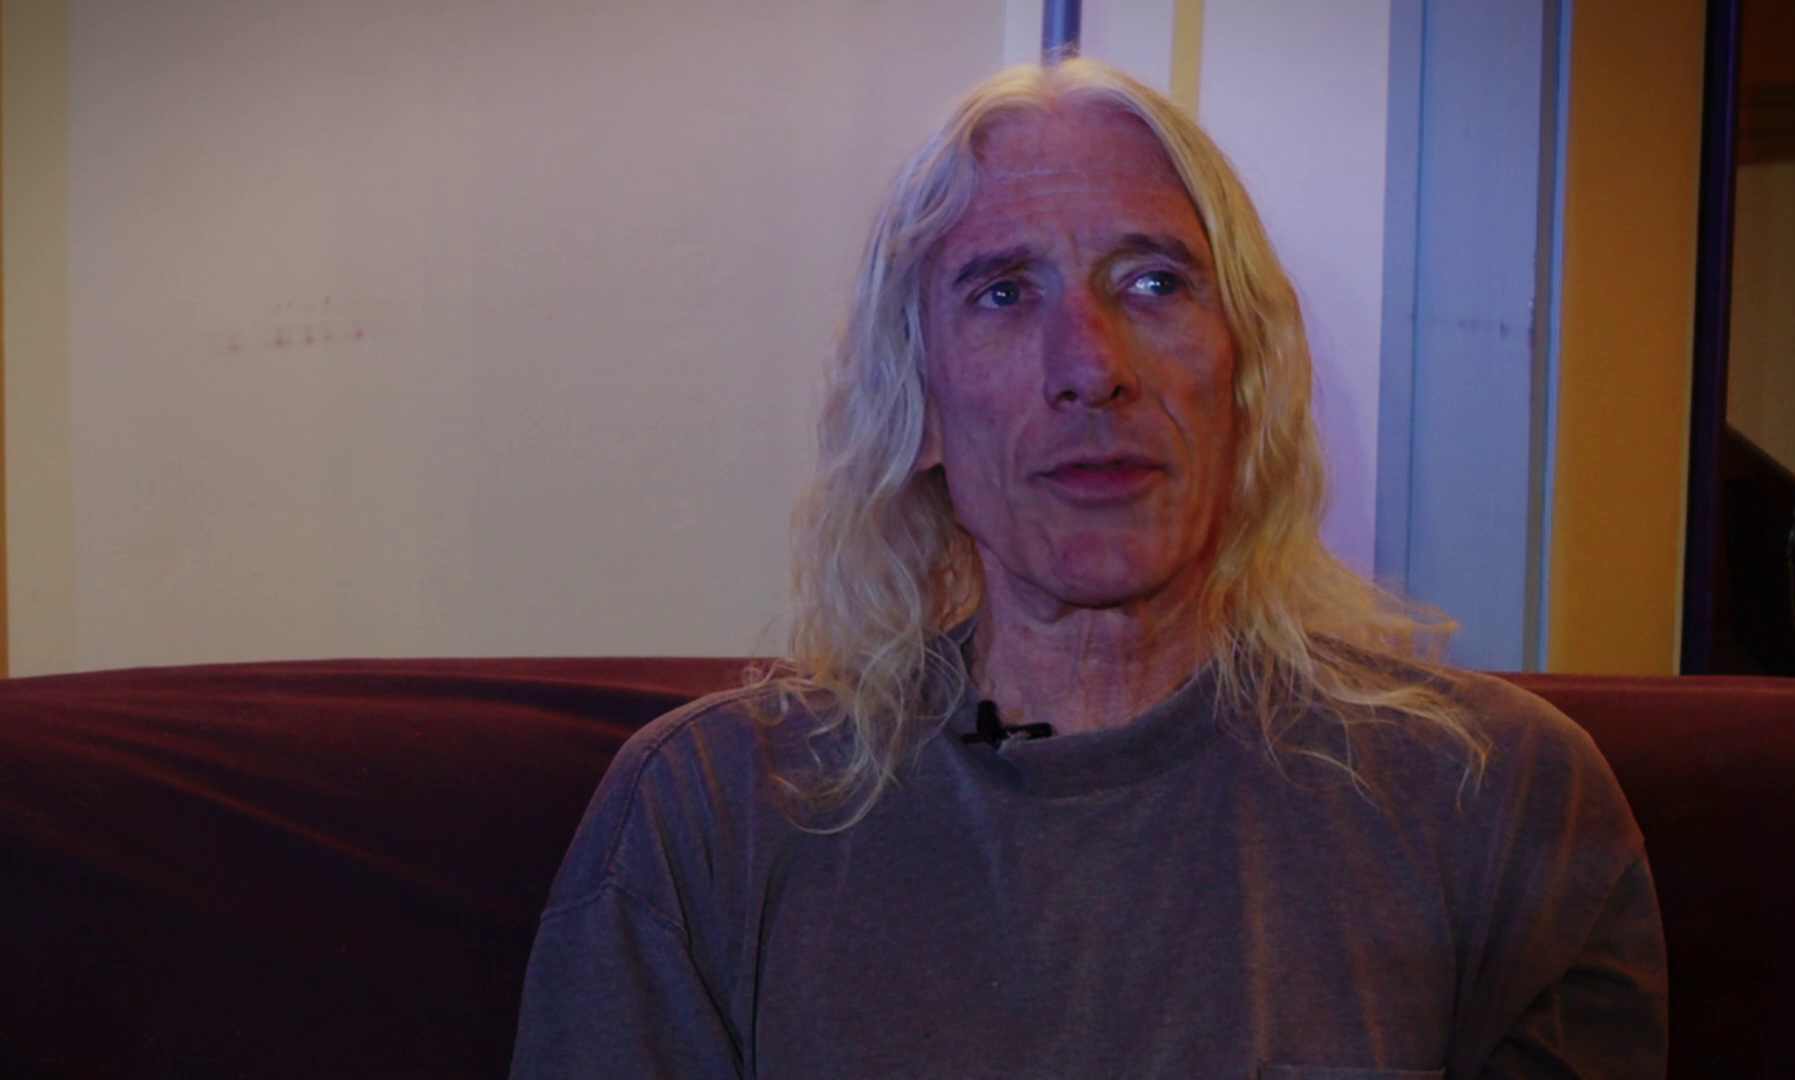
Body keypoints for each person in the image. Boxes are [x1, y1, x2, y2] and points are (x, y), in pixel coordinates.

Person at [511, 58, 1666, 1079]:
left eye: (1154, 283)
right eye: (1005, 293)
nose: (1091, 366)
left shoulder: (1495, 800)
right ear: (919, 406)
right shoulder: (708, 819)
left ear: (1246, 376)